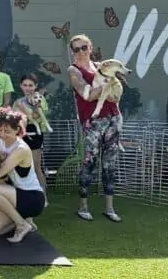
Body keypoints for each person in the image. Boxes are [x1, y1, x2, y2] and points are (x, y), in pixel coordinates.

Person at [67, 34, 122, 222]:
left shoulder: (101, 67)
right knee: (89, 163)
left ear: (90, 47)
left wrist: (109, 89)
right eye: (76, 49)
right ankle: (83, 207)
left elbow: (115, 96)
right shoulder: (73, 70)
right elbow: (87, 95)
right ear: (72, 51)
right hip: (92, 122)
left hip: (113, 118)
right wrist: (107, 84)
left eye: (84, 47)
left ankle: (110, 208)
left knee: (110, 164)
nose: (81, 52)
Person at [0, 108, 45, 243]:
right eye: (0, 130)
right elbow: (0, 178)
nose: (2, 134)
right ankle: (25, 220)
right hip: (15, 195)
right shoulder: (0, 143)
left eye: (7, 131)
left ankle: (22, 224)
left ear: (17, 130)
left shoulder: (21, 148)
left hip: (32, 197)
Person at [13, 73, 50, 206]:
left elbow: (38, 115)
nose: (28, 88)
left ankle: (44, 197)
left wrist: (24, 111)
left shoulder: (40, 99)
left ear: (35, 86)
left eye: (30, 85)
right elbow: (15, 119)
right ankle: (24, 197)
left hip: (35, 133)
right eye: (25, 85)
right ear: (20, 86)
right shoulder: (17, 101)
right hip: (20, 135)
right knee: (21, 166)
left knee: (36, 166)